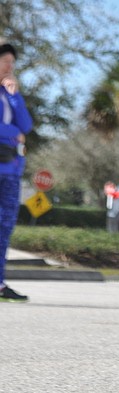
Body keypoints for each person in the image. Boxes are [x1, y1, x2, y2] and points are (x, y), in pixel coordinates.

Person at [0, 39, 33, 303]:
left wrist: (15, 96)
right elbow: (16, 131)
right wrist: (14, 135)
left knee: (4, 227)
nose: (10, 66)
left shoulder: (9, 93)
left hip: (10, 171)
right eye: (5, 61)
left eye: (12, 61)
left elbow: (26, 125)